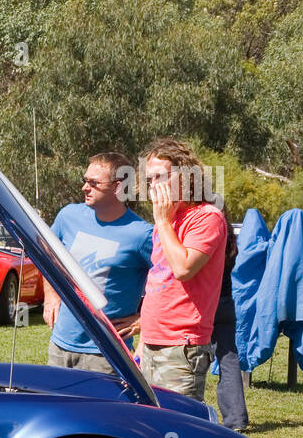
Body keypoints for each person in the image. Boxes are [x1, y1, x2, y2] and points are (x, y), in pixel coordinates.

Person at [43, 152, 152, 372]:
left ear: (118, 187)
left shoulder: (142, 234)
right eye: (85, 181)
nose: (85, 188)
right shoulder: (68, 216)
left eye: (94, 183)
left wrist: (144, 320)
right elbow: (47, 256)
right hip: (60, 346)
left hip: (107, 355)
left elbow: (169, 282)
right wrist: (50, 296)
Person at [138, 137, 229, 400]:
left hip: (182, 346)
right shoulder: (165, 220)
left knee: (177, 430)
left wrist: (163, 223)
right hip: (152, 343)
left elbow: (183, 269)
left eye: (161, 177)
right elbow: (158, 279)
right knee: (149, 428)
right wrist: (144, 339)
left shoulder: (207, 217)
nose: (154, 186)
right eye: (149, 180)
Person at [212, 223, 248, 430]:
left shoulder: (204, 234)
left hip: (205, 304)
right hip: (226, 303)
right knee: (228, 359)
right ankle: (236, 418)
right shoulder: (231, 243)